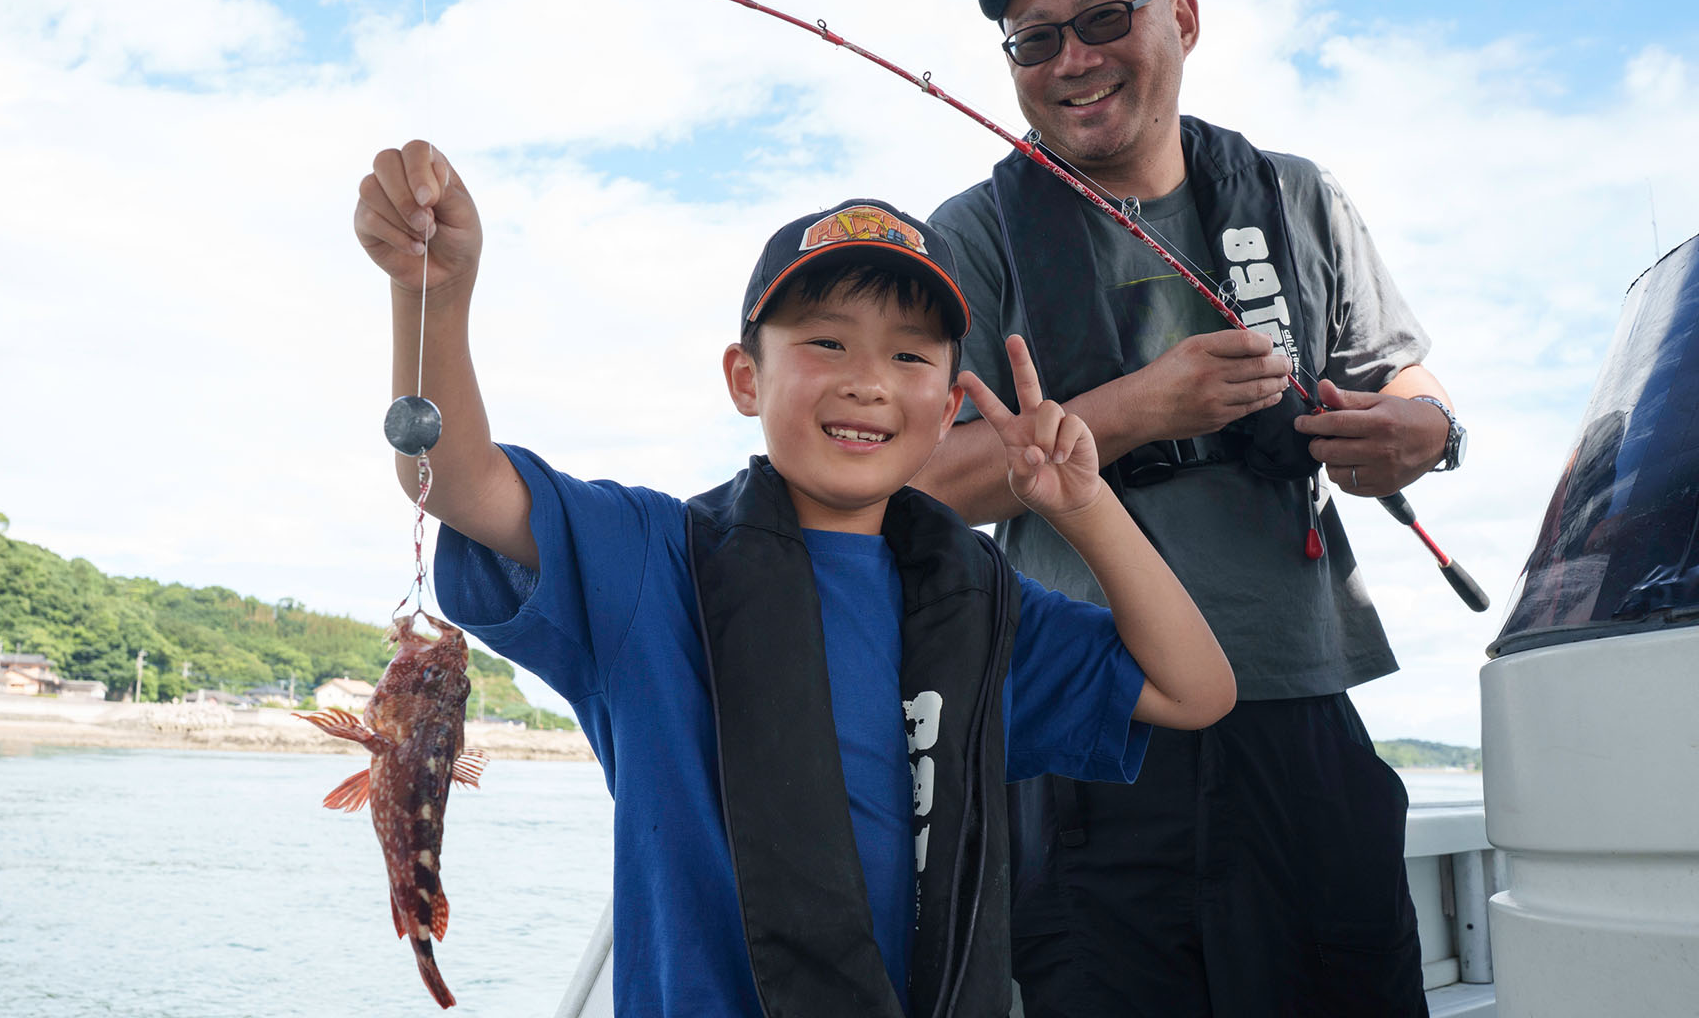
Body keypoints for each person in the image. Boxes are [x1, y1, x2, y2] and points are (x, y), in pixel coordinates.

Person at [353, 139, 1235, 1016]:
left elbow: (1196, 688)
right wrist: (428, 297)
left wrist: (1083, 507)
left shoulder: (978, 606)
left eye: (909, 355)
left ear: (950, 405)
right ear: (746, 378)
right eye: (825, 341)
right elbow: (458, 481)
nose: (867, 383)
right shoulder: (653, 561)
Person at [912, 0, 1467, 1015]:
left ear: (1186, 17)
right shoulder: (973, 235)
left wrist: (1427, 426)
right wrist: (1138, 409)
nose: (1072, 59)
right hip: (1092, 729)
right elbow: (922, 485)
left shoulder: (1297, 197)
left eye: (1106, 18)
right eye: (1035, 39)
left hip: (1306, 704)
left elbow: (1402, 368)